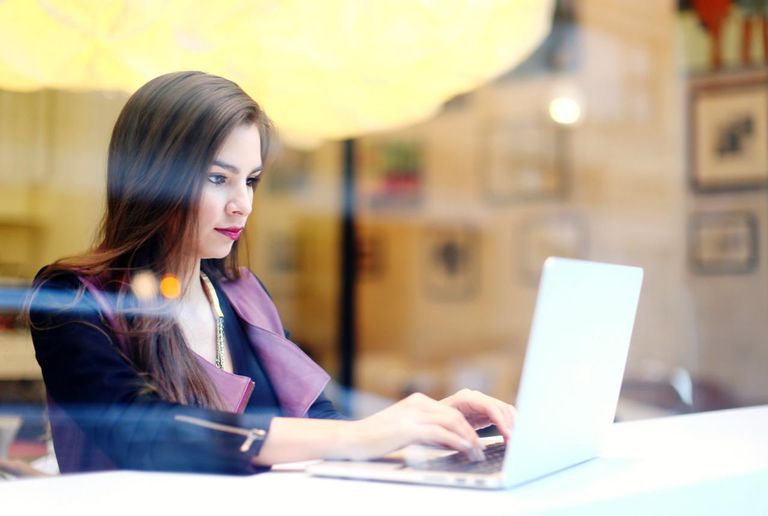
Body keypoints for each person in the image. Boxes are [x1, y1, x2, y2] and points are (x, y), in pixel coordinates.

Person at [27, 71, 515, 475]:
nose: (242, 204)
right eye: (218, 178)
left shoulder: (241, 294)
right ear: (153, 175)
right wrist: (362, 434)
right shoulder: (72, 296)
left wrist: (425, 428)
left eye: (251, 180)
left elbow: (318, 421)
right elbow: (147, 432)